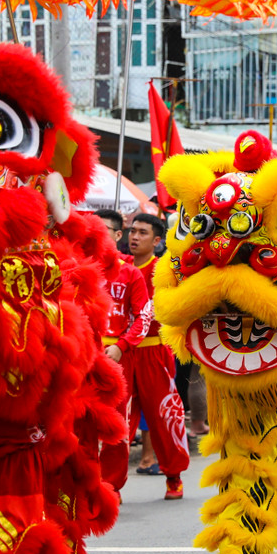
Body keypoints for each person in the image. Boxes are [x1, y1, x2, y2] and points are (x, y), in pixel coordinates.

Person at [125, 211, 189, 498]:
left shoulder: (162, 271)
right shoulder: (118, 267)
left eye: (142, 233)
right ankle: (111, 484)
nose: (135, 237)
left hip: (152, 351)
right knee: (119, 419)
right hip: (121, 353)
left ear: (157, 241)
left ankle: (173, 475)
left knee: (164, 416)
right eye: (132, 231)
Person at [94, 208, 151, 494]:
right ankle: (84, 484)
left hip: (117, 356)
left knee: (117, 424)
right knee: (79, 422)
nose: (95, 234)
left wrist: (121, 346)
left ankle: (111, 486)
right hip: (84, 357)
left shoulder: (130, 273)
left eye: (103, 230)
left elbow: (144, 317)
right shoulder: (77, 267)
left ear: (118, 235)